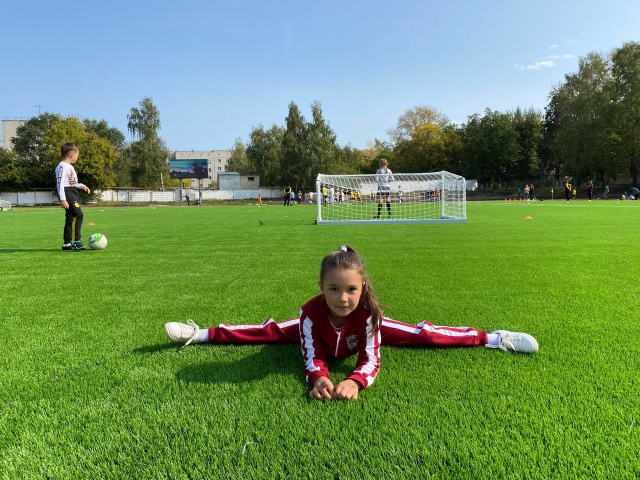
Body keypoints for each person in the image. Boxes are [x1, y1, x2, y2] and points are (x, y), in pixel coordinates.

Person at [165, 245, 539, 401]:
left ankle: (493, 338)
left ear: (362, 288)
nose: (342, 298)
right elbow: (311, 356)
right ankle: (198, 333)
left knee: (422, 334)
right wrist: (321, 378)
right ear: (321, 288)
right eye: (333, 289)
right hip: (321, 334)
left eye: (350, 290)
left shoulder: (368, 313)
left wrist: (355, 380)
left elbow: (371, 360)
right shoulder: (311, 313)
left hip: (365, 330)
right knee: (273, 330)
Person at [55, 143, 91, 250]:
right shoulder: (62, 166)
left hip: (72, 191)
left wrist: (81, 185)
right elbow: (60, 183)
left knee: (70, 217)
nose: (77, 157)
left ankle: (67, 243)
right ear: (71, 154)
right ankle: (77, 240)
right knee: (78, 214)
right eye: (77, 155)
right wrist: (63, 199)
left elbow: (72, 183)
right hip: (67, 193)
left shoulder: (69, 166)